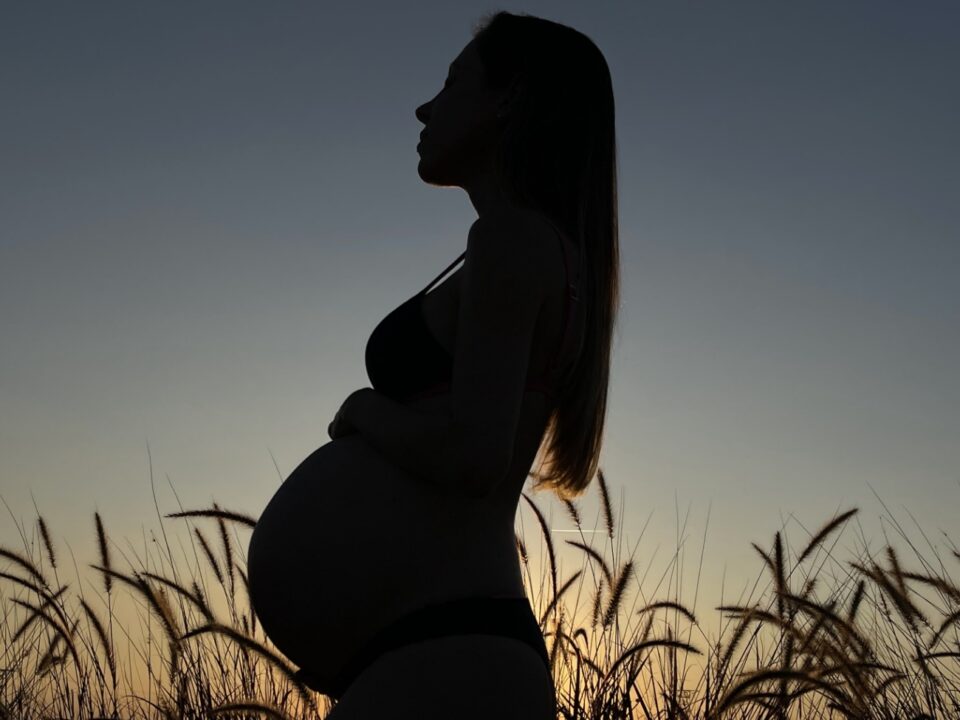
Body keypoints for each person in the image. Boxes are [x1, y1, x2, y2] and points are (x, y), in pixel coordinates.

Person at [288, 11, 619, 719]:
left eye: (452, 83)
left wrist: (362, 409)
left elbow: (475, 456)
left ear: (507, 99)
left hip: (450, 645)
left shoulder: (512, 242)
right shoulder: (534, 252)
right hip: (434, 642)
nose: (425, 107)